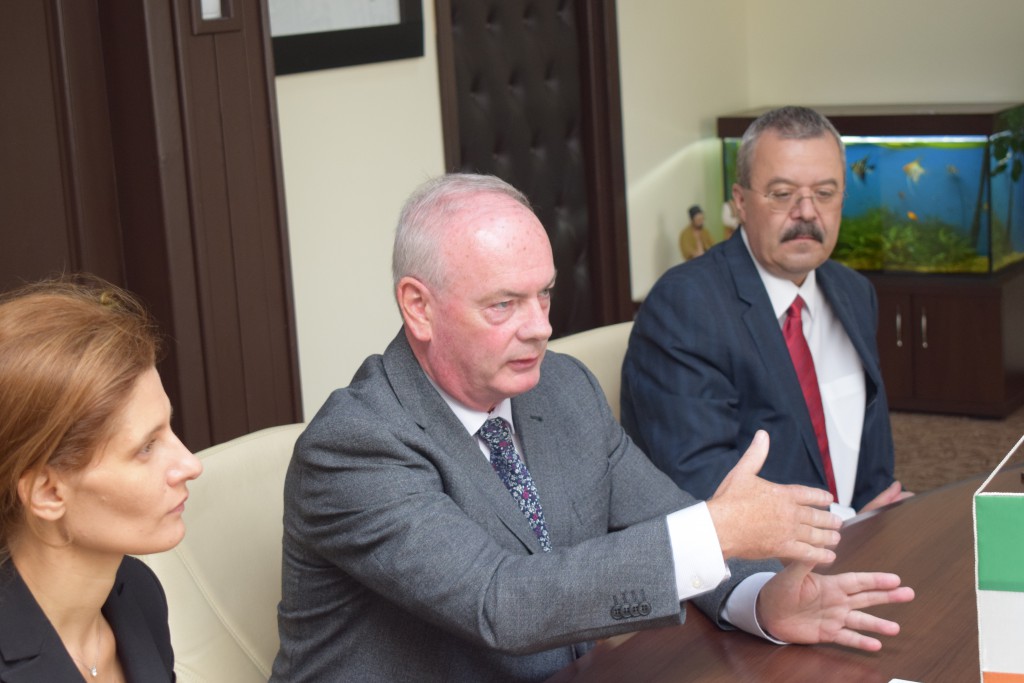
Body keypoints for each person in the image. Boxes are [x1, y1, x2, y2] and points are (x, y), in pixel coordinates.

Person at [272, 173, 913, 682]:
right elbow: (500, 602)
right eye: (504, 304)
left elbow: (663, 519)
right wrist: (719, 529)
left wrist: (761, 599)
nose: (541, 327)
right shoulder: (355, 446)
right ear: (419, 306)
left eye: (545, 294)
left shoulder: (563, 388)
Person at [622, 106, 911, 520]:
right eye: (782, 194)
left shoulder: (854, 292)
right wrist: (844, 522)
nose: (807, 212)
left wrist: (875, 519)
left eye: (824, 193)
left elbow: (869, 454)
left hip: (861, 538)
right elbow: (701, 481)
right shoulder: (685, 307)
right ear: (740, 201)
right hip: (753, 558)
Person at [0, 276, 203, 681]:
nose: (190, 464)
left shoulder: (137, 593)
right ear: (47, 492)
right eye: (146, 447)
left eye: (169, 429)